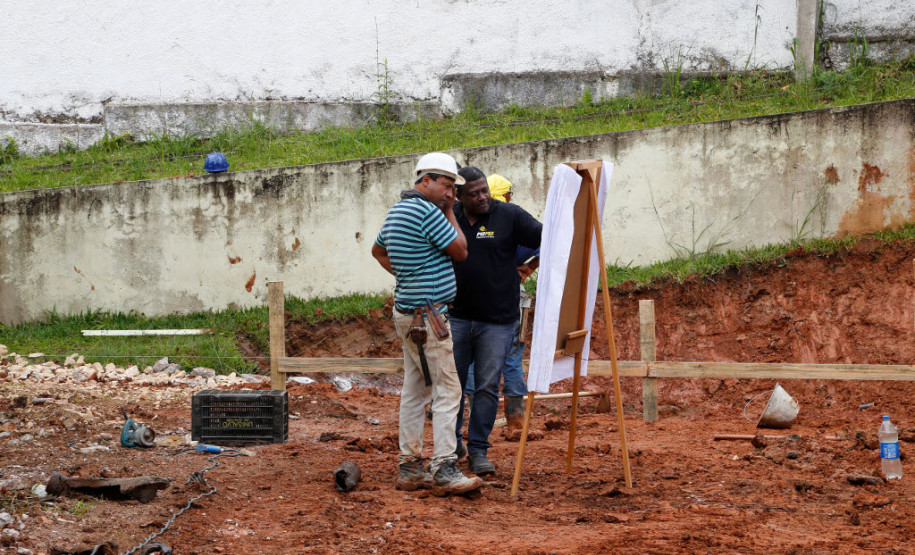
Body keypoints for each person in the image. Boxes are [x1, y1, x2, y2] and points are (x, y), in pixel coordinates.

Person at [372, 152, 483, 496]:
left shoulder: (397, 211)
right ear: (426, 182)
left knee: (415, 390)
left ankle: (410, 467)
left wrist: (409, 276)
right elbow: (462, 251)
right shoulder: (426, 212)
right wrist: (450, 213)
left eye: (453, 190)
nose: (451, 195)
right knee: (449, 391)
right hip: (430, 317)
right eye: (447, 187)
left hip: (408, 313)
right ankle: (445, 468)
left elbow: (378, 251)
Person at [450, 166, 542, 476]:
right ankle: (452, 446)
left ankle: (478, 450)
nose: (482, 197)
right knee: (452, 386)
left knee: (487, 387)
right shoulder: (450, 216)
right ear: (459, 195)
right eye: (473, 193)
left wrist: (531, 266)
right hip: (457, 318)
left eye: (484, 190)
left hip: (498, 321)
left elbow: (549, 236)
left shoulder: (510, 215)